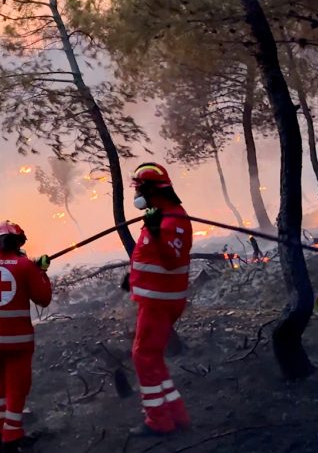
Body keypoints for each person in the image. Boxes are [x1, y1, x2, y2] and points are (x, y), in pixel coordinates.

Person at [0, 220, 53, 453]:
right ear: (18, 242)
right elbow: (43, 299)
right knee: (17, 389)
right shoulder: (25, 266)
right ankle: (11, 440)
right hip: (19, 342)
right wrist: (41, 272)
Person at [125, 162, 193, 437]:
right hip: (154, 297)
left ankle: (158, 421)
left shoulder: (173, 220)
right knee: (152, 357)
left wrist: (155, 231)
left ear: (153, 190)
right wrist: (131, 277)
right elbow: (149, 255)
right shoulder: (161, 215)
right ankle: (176, 414)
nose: (138, 194)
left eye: (140, 188)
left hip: (160, 301)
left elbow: (172, 260)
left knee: (142, 356)